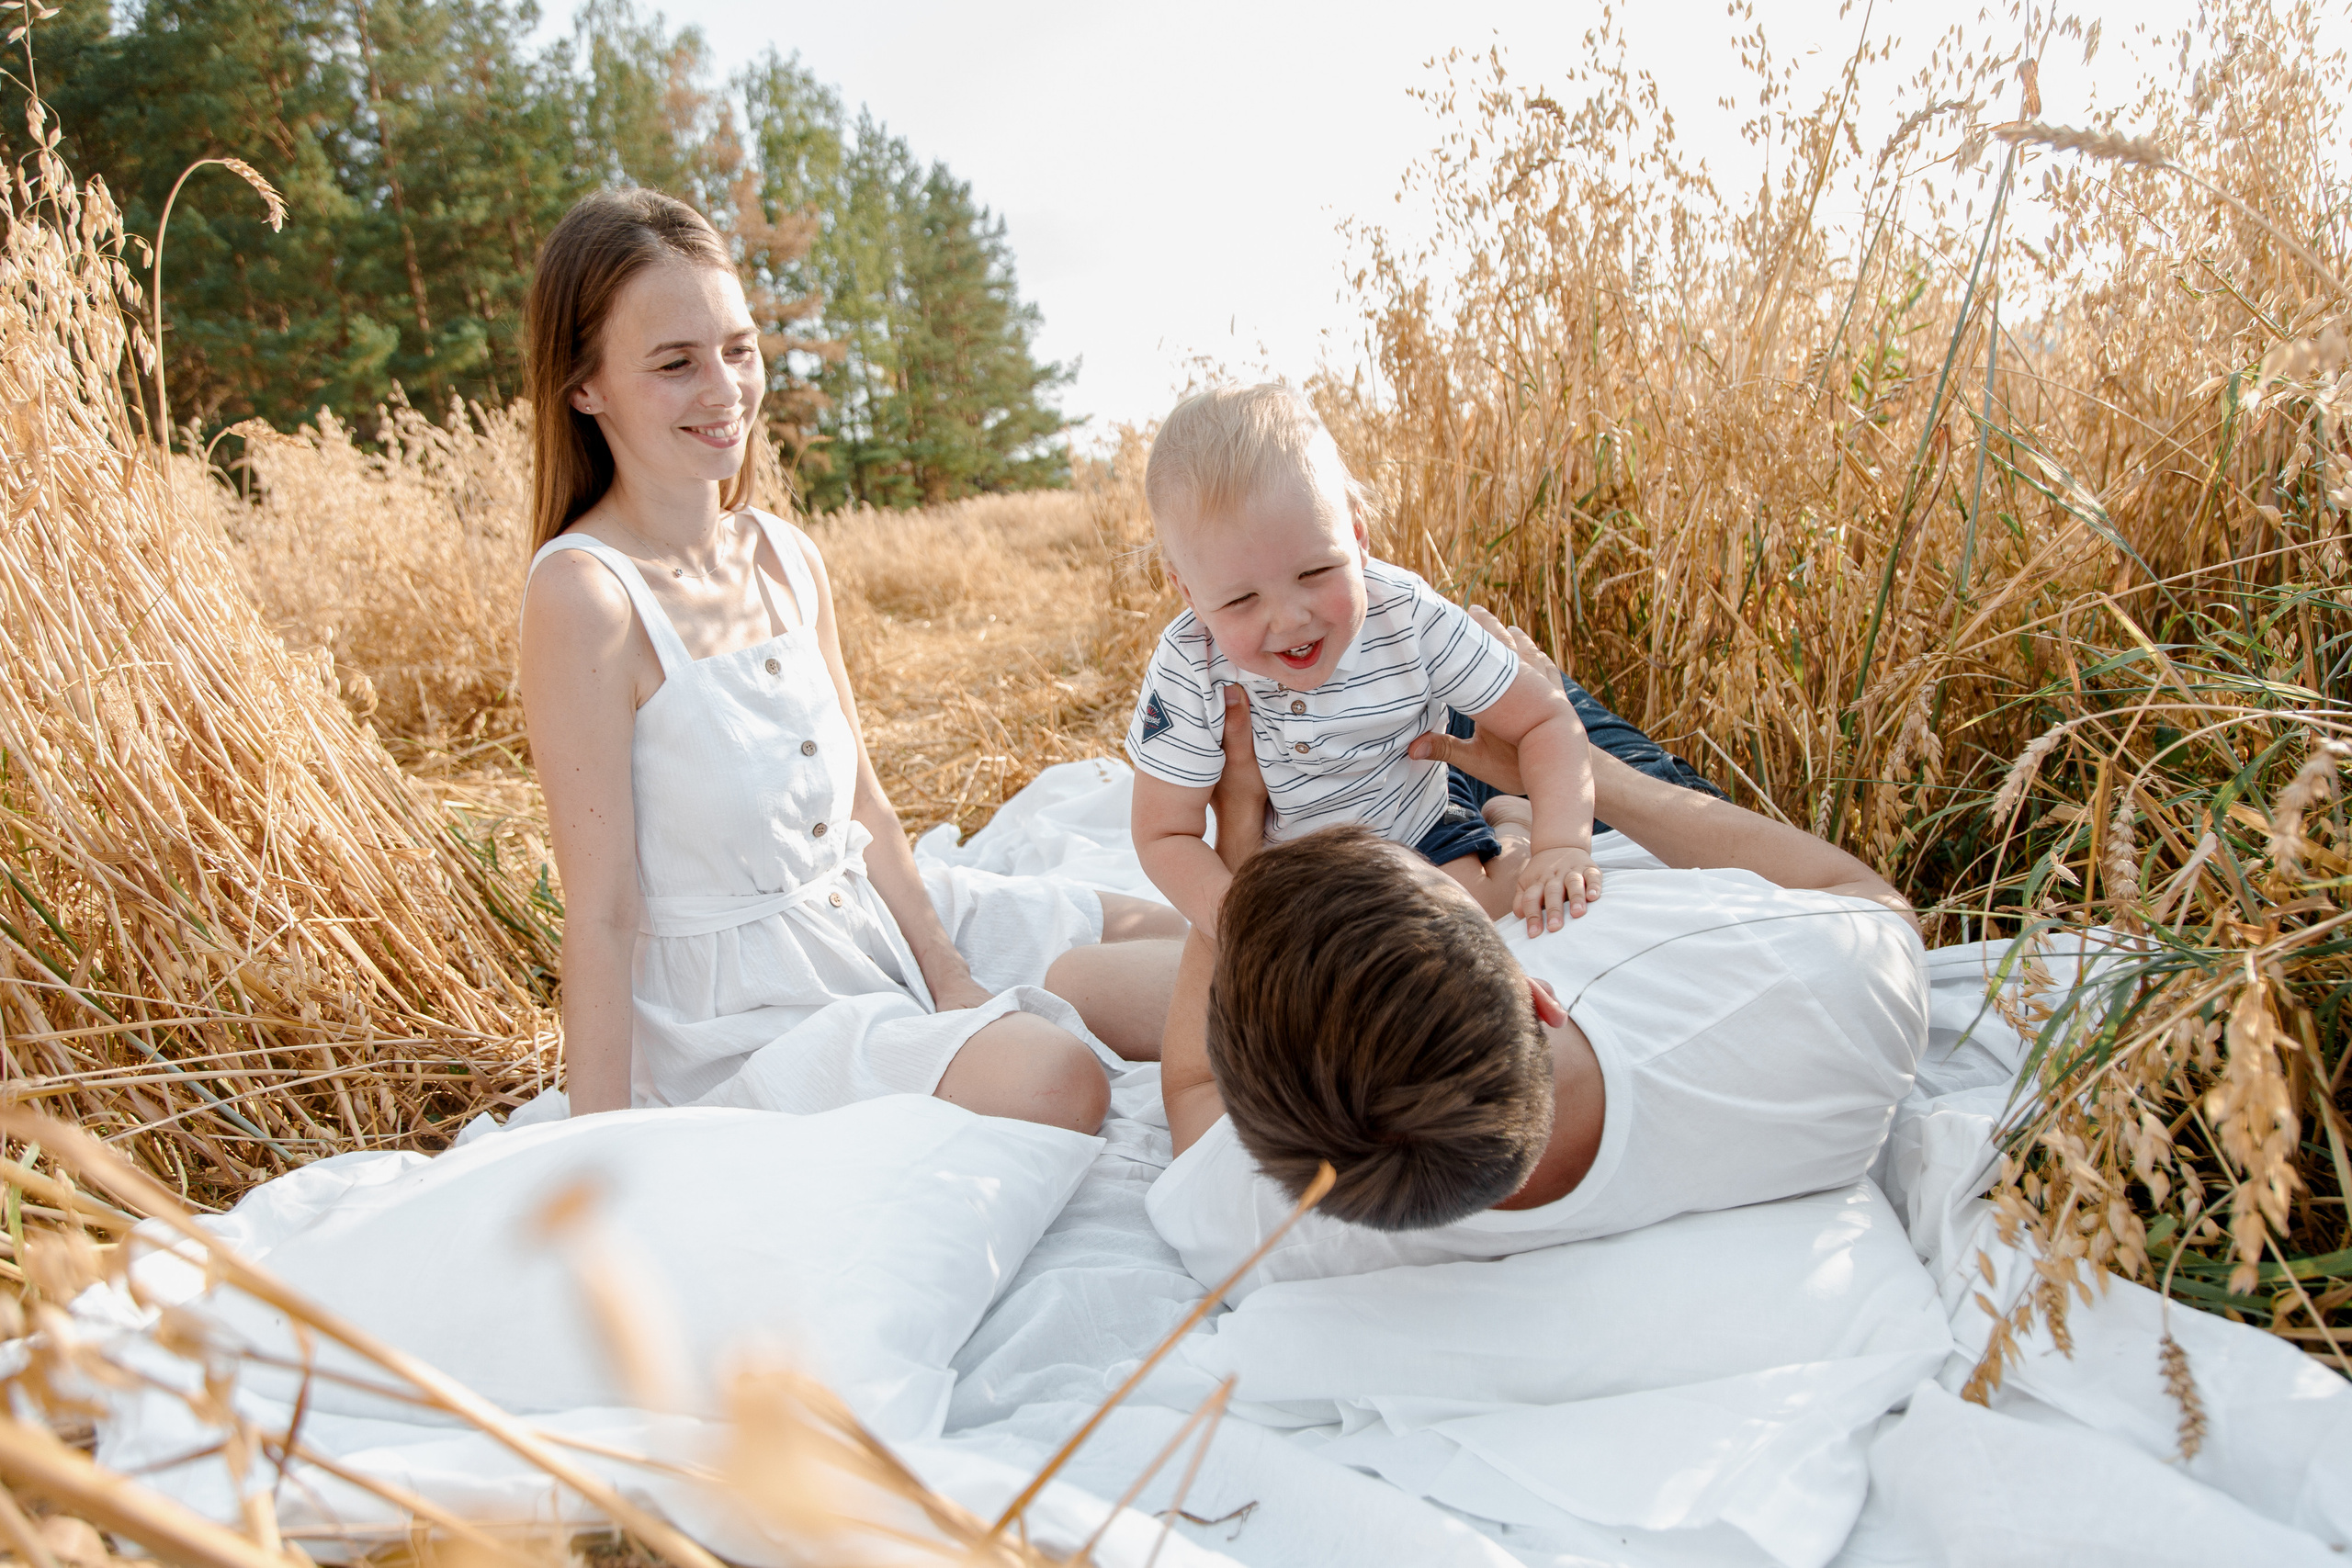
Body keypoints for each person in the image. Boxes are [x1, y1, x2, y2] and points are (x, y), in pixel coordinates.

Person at [515, 188, 1183, 1133]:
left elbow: (865, 803)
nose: (724, 390)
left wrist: (949, 973)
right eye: (675, 363)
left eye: (739, 349)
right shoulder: (587, 596)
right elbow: (603, 910)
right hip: (750, 1004)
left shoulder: (786, 556)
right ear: (585, 385)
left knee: (1194, 948)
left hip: (875, 911)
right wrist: (604, 1151)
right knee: (1056, 1080)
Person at [1147, 614, 1929, 1301]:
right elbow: (1866, 896)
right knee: (1481, 662)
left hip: (1508, 834)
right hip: (1625, 834)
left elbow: (1187, 1087)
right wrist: (1582, 775)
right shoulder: (1820, 995)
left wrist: (1240, 834)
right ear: (1538, 991)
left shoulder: (1282, 1232)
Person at [1125, 385, 1600, 940]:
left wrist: (1562, 843)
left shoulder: (1405, 614)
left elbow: (1546, 718)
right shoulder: (1188, 664)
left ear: (1356, 534)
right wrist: (1235, 922)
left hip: (1415, 830)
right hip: (1294, 874)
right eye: (1239, 601)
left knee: (1467, 922)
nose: (1289, 620)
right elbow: (1164, 833)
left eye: (1314, 573)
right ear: (1188, 592)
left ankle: (1510, 823)